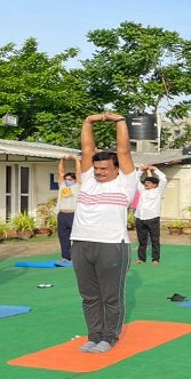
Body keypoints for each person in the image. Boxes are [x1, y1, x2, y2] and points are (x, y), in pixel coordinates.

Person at [71, 112, 137, 353]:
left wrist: (119, 121)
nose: (99, 172)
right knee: (89, 296)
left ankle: (108, 337)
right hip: (81, 243)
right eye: (97, 168)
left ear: (117, 169)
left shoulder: (126, 182)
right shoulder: (88, 180)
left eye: (104, 168)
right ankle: (93, 335)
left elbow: (124, 151)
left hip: (112, 245)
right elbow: (87, 149)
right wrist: (88, 121)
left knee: (110, 296)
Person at [133, 164, 168, 265]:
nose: (146, 184)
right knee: (142, 240)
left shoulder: (158, 191)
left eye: (149, 182)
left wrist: (156, 169)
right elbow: (135, 180)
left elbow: (164, 179)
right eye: (145, 182)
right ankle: (141, 258)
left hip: (152, 218)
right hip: (140, 217)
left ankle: (155, 259)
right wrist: (140, 170)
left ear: (155, 184)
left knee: (155, 240)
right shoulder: (142, 190)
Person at [56, 154, 81, 264]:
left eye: (70, 179)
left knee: (76, 237)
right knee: (63, 236)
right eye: (66, 179)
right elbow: (61, 172)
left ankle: (79, 256)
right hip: (62, 214)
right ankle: (66, 256)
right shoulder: (62, 186)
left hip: (73, 214)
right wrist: (62, 159)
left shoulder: (77, 186)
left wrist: (75, 159)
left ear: (74, 180)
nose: (67, 181)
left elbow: (78, 172)